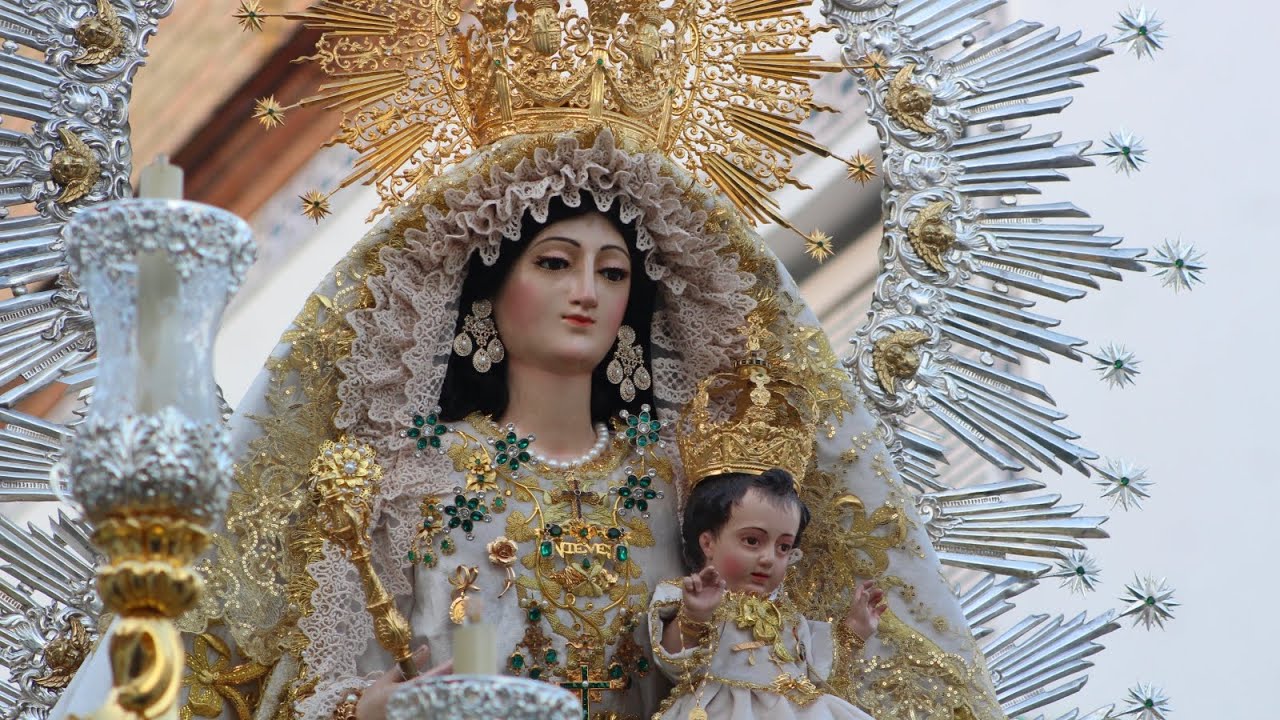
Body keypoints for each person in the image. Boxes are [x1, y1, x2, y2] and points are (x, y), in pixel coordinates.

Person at [650, 469, 885, 720]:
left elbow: (816, 675)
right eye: (752, 541)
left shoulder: (786, 614)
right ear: (708, 543)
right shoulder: (686, 594)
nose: (769, 559)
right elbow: (674, 664)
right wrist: (694, 617)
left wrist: (853, 632)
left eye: (783, 547)